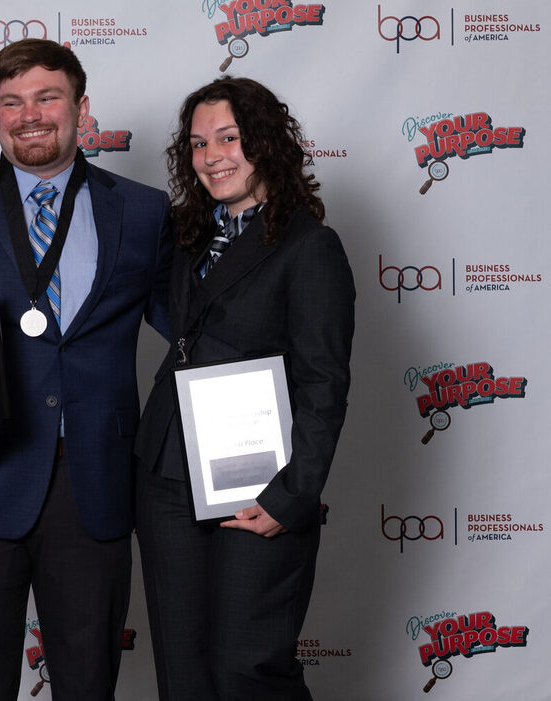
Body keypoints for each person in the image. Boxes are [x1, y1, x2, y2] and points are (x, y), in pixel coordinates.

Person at [0, 39, 170, 701]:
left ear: (81, 109)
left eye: (47, 97)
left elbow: (194, 328)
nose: (29, 115)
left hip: (93, 482)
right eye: (11, 102)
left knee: (88, 684)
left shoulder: (143, 210)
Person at [134, 77, 355, 700]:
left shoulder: (310, 247)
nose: (212, 156)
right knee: (182, 672)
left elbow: (324, 383)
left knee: (246, 668)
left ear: (265, 143)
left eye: (228, 138)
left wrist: (292, 496)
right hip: (166, 473)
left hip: (259, 481)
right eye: (198, 143)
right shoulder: (184, 235)